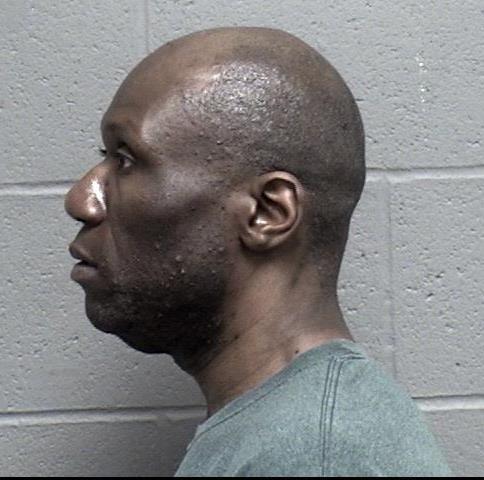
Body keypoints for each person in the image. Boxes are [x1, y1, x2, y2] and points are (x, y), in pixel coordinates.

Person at [65, 27, 451, 476]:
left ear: (267, 212)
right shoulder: (286, 434)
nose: (81, 200)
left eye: (126, 160)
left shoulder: (314, 454)